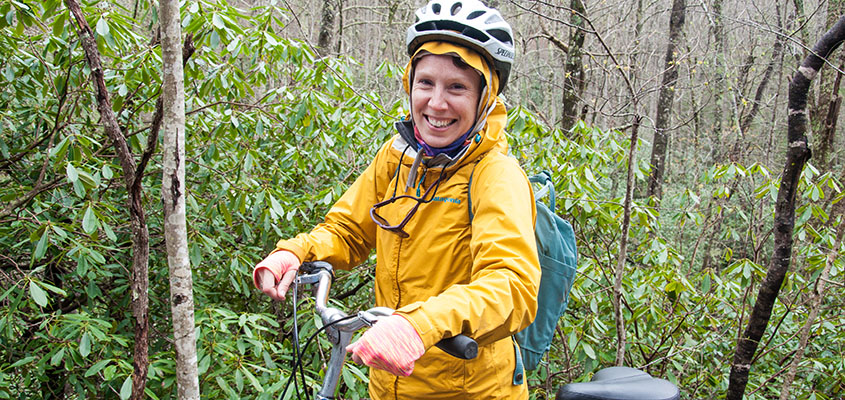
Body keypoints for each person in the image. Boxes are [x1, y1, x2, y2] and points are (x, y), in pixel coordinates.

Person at [253, 0, 541, 398]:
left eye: (456, 87)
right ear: (409, 84)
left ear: (485, 97)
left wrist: (417, 325)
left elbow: (512, 287)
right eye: (426, 83)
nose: (436, 103)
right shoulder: (398, 158)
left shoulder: (496, 175)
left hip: (469, 392)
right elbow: (350, 230)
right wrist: (296, 252)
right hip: (388, 383)